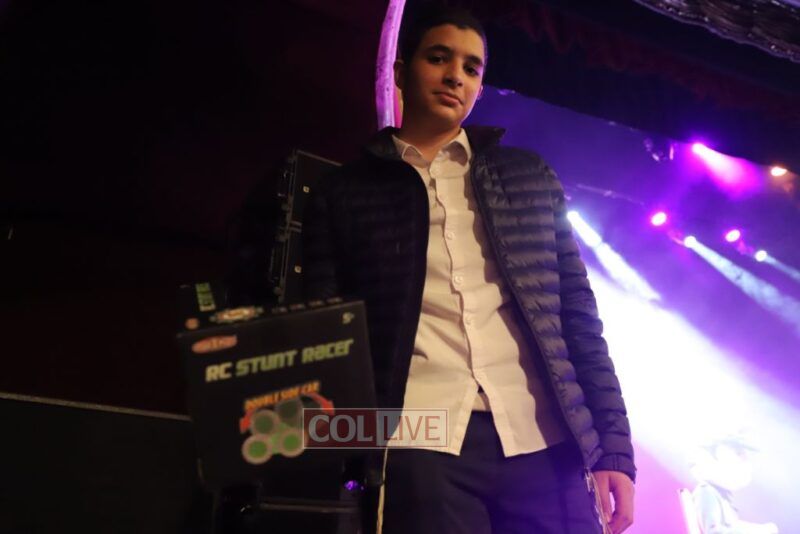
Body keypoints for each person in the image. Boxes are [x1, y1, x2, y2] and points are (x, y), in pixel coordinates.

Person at [302, 5, 635, 533]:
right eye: (439, 58)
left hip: (542, 436)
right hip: (418, 439)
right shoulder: (343, 192)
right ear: (401, 70)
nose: (456, 75)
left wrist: (613, 449)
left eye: (471, 67)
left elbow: (577, 319)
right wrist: (351, 449)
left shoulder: (526, 175)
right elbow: (328, 337)